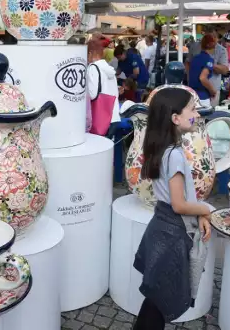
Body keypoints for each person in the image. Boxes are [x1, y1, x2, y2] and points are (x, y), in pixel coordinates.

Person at [133, 87, 211, 329]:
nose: (196, 115)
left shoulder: (161, 149)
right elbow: (179, 204)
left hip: (161, 228)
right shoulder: (175, 155)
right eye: (192, 109)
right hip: (171, 234)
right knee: (157, 302)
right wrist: (206, 210)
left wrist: (199, 213)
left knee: (154, 300)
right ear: (175, 118)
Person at [87, 37, 120, 136]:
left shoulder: (93, 68)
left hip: (100, 119)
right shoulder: (109, 69)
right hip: (114, 117)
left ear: (90, 54)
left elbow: (92, 95)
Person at [188, 35, 218, 108]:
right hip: (202, 97)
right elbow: (203, 78)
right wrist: (213, 91)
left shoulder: (195, 58)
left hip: (192, 95)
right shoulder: (208, 59)